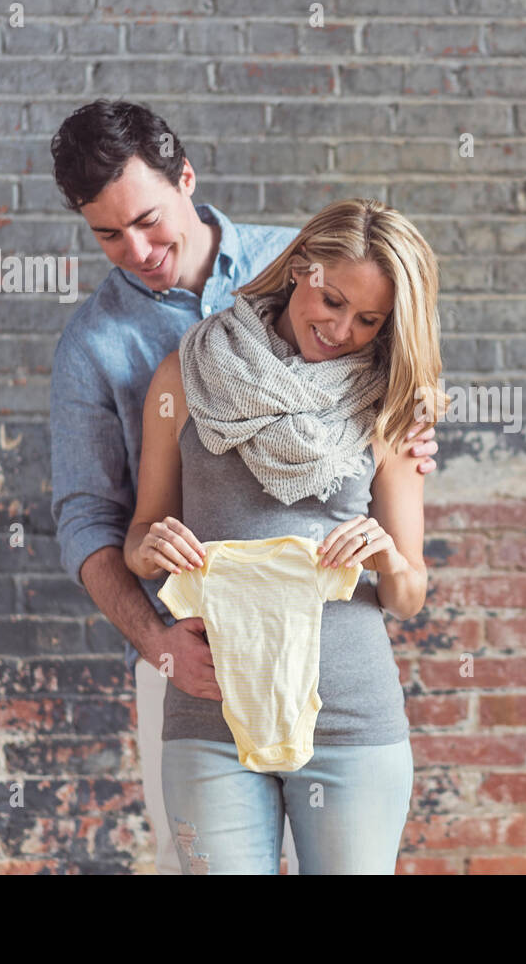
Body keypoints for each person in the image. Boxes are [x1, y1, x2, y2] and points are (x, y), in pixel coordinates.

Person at [48, 100, 438, 874]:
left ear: (186, 179)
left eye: (150, 221)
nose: (137, 248)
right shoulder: (108, 348)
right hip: (197, 662)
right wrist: (159, 644)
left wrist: (405, 436)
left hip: (344, 688)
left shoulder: (314, 268)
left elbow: (408, 573)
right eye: (108, 234)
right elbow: (96, 521)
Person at [122, 198, 446, 874]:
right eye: (331, 300)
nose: (340, 329)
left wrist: (387, 553)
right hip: (213, 709)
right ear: (300, 267)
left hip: (350, 718)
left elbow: (410, 592)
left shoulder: (387, 402)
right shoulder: (186, 374)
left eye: (368, 320)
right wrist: (152, 548)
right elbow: (140, 533)